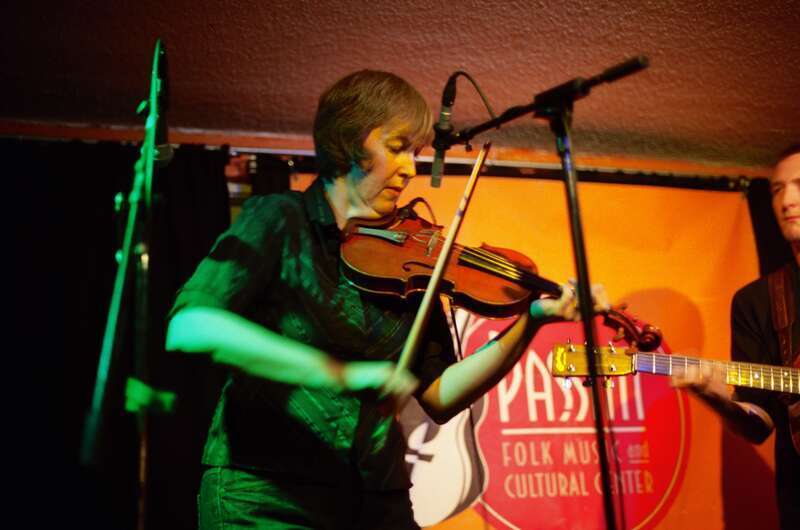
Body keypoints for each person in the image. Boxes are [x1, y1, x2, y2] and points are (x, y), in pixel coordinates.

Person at [165, 70, 601, 530]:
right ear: (349, 142)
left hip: (374, 496)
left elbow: (441, 395)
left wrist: (531, 320)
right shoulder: (279, 219)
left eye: (416, 152)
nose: (411, 169)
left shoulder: (412, 263)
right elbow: (191, 326)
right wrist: (339, 373)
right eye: (397, 148)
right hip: (267, 495)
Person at [674, 144, 800, 529]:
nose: (787, 201)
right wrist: (714, 395)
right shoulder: (760, 301)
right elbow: (758, 425)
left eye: (799, 185)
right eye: (777, 189)